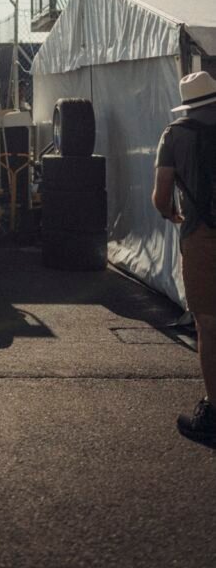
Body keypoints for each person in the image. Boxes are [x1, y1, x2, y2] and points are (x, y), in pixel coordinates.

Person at [153, 71, 216, 447]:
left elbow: (161, 197)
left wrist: (172, 214)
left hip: (203, 238)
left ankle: (212, 412)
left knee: (208, 327)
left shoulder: (174, 135)